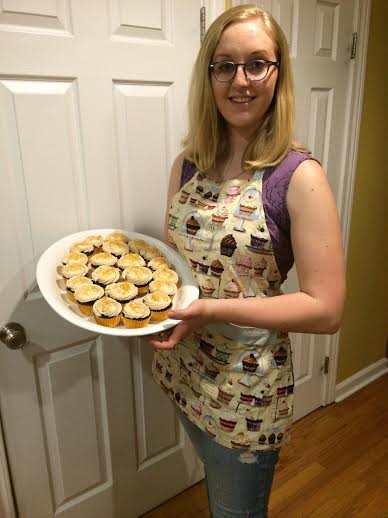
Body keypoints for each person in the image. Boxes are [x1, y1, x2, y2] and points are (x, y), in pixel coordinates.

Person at [146, 4, 346, 517]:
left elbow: (326, 311)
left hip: (246, 391)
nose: (241, 80)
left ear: (278, 74)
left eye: (257, 63)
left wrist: (209, 310)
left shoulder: (298, 177)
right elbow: (180, 264)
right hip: (182, 370)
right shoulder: (187, 164)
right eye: (224, 65)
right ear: (208, 75)